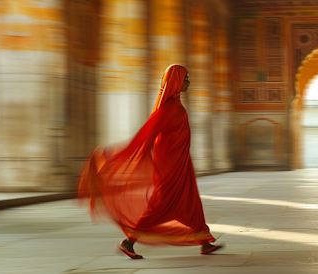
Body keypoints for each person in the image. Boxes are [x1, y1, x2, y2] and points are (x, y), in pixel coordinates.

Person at [77, 64, 222, 259]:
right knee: (160, 204)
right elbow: (148, 134)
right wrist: (116, 155)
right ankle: (128, 242)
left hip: (181, 163)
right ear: (177, 81)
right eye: (186, 79)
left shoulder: (175, 104)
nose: (189, 83)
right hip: (170, 166)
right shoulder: (169, 106)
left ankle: (204, 242)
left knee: (190, 201)